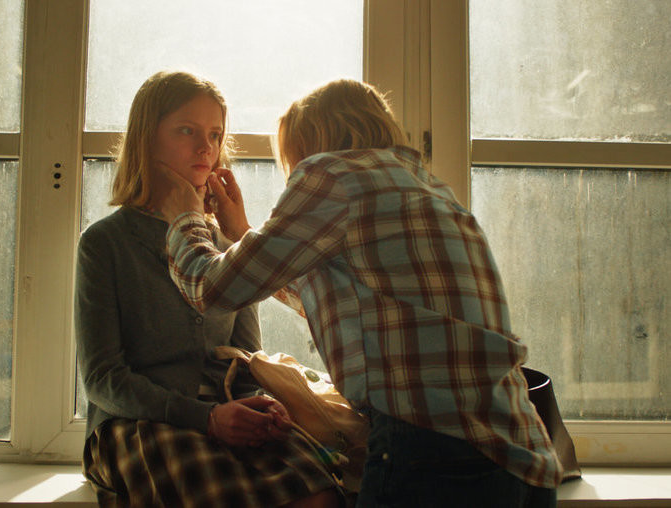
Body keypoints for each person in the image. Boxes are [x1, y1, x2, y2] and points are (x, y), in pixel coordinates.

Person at [160, 79, 563, 507]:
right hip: (523, 452)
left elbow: (210, 289)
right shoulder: (426, 187)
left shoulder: (332, 174)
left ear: (311, 143)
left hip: (434, 448)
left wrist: (185, 215)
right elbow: (344, 296)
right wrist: (242, 233)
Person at [74, 70, 343, 508]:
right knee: (221, 495)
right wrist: (208, 418)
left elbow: (245, 359)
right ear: (147, 138)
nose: (206, 147)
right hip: (138, 423)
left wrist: (264, 404)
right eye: (187, 130)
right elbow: (103, 379)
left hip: (227, 416)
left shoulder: (224, 247)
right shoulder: (105, 243)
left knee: (320, 492)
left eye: (215, 134)